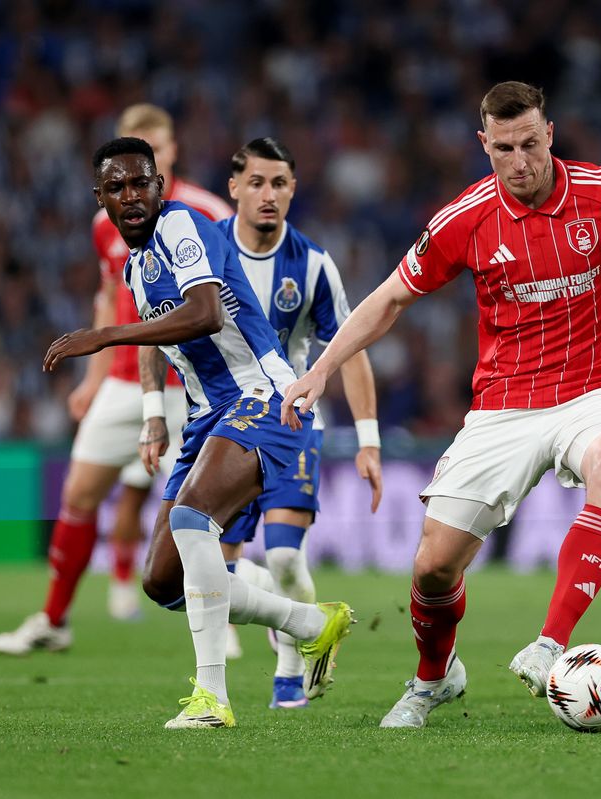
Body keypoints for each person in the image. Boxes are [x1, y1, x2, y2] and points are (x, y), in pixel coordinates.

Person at [280, 81, 601, 728]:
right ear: (485, 145)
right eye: (504, 147)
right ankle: (434, 676)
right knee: (432, 567)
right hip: (505, 404)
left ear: (550, 134)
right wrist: (321, 368)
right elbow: (392, 297)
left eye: (531, 143)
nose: (520, 161)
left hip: (599, 388)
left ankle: (551, 640)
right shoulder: (466, 217)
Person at [44, 136, 352, 729]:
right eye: (116, 187)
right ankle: (313, 624)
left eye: (141, 183)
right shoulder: (137, 264)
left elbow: (205, 312)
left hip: (265, 395)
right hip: (207, 415)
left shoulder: (181, 224)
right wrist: (153, 414)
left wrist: (105, 336)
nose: (130, 197)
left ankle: (212, 700)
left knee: (191, 523)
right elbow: (162, 335)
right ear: (100, 198)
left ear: (160, 187)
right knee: (163, 581)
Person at [0, 104, 234, 658]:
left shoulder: (206, 212)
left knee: (203, 514)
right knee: (78, 494)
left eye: (152, 149)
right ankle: (54, 619)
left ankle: (236, 622)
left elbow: (226, 300)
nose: (130, 182)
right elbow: (110, 296)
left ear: (167, 158)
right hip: (128, 376)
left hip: (195, 386)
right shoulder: (106, 224)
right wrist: (93, 378)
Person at [210, 137, 384, 710]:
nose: (268, 194)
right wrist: (153, 414)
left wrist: (368, 440)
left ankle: (289, 657)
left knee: (285, 556)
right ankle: (287, 613)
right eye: (256, 182)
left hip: (291, 424)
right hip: (221, 428)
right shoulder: (204, 252)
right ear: (234, 186)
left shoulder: (311, 265)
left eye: (279, 183)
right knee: (216, 577)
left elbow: (351, 349)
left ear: (292, 190)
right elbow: (162, 321)